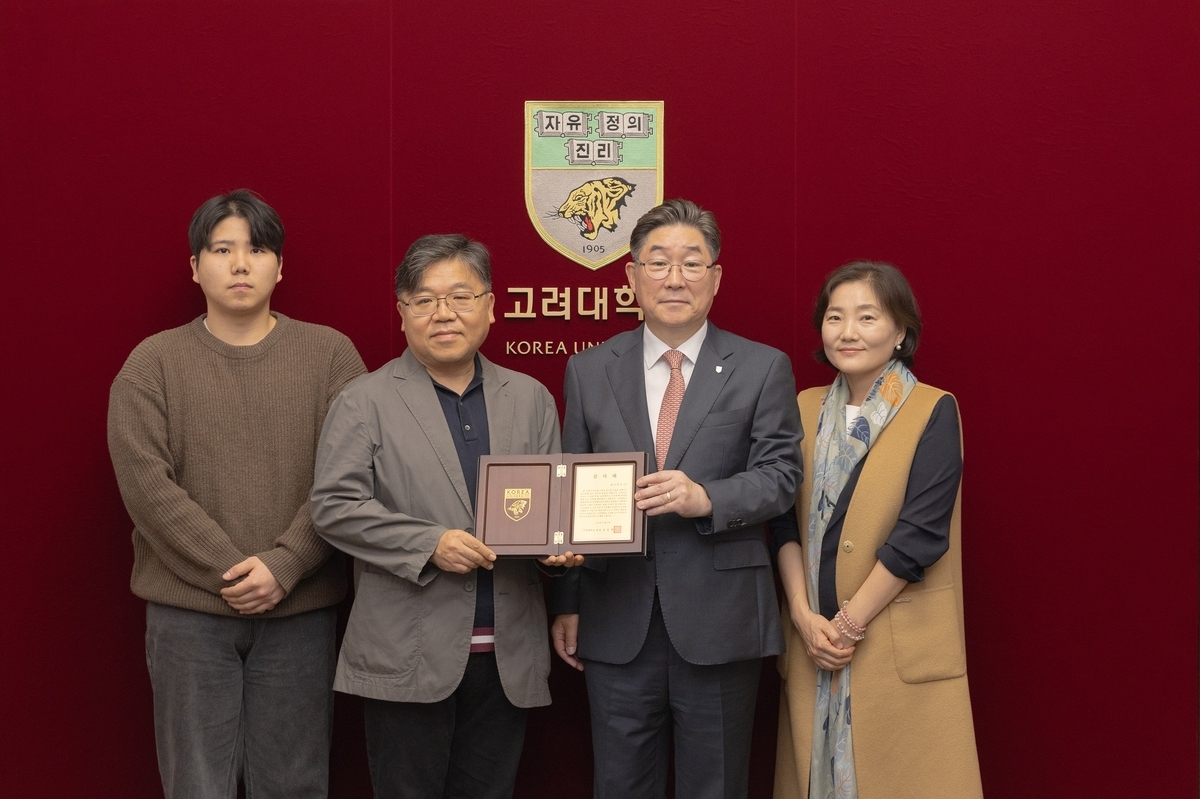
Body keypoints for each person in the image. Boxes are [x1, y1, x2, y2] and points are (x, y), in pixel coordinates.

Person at [107, 189, 366, 798]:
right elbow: (146, 486)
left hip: (300, 610)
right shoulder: (153, 363)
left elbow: (350, 476)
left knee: (296, 781)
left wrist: (285, 564)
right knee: (197, 783)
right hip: (188, 616)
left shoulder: (331, 355)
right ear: (195, 266)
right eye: (222, 249)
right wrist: (233, 571)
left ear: (281, 265)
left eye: (257, 248)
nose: (241, 264)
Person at [548, 199, 803, 799]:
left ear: (716, 277)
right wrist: (566, 599)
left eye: (692, 263)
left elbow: (782, 473)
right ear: (631, 276)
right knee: (619, 784)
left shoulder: (762, 368)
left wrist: (705, 497)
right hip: (615, 616)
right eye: (657, 262)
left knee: (715, 786)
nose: (674, 277)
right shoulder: (589, 370)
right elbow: (571, 486)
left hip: (721, 618)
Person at [310, 234, 580, 799]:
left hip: (508, 656)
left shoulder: (530, 397)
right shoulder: (364, 400)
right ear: (403, 311)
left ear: (490, 305)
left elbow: (553, 512)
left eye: (460, 296)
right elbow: (333, 507)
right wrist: (429, 543)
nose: (444, 313)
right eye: (426, 299)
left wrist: (559, 556)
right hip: (407, 653)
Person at [772, 260, 983, 799]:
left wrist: (846, 626)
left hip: (886, 642)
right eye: (835, 317)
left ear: (900, 332)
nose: (848, 332)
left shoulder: (933, 409)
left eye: (868, 317)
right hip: (810, 643)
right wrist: (801, 615)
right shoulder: (803, 407)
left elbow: (921, 535)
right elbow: (781, 521)